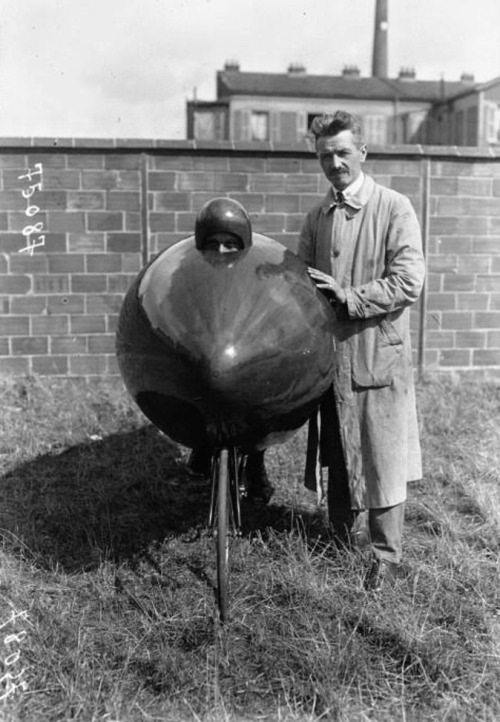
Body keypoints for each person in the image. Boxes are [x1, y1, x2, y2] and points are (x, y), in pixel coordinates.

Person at [298, 110, 425, 591]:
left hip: (377, 353)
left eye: (343, 153)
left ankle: (386, 557)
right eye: (325, 156)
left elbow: (409, 281)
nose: (334, 164)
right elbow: (303, 283)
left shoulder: (394, 208)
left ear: (363, 153)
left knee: (382, 451)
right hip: (333, 357)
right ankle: (337, 537)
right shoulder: (317, 217)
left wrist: (349, 297)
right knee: (337, 446)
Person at [187, 197, 273, 503]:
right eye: (213, 243)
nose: (221, 251)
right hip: (206, 356)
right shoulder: (186, 277)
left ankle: (256, 462)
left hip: (247, 356)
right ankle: (201, 443)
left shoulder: (258, 277)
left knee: (259, 398)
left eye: (230, 243)